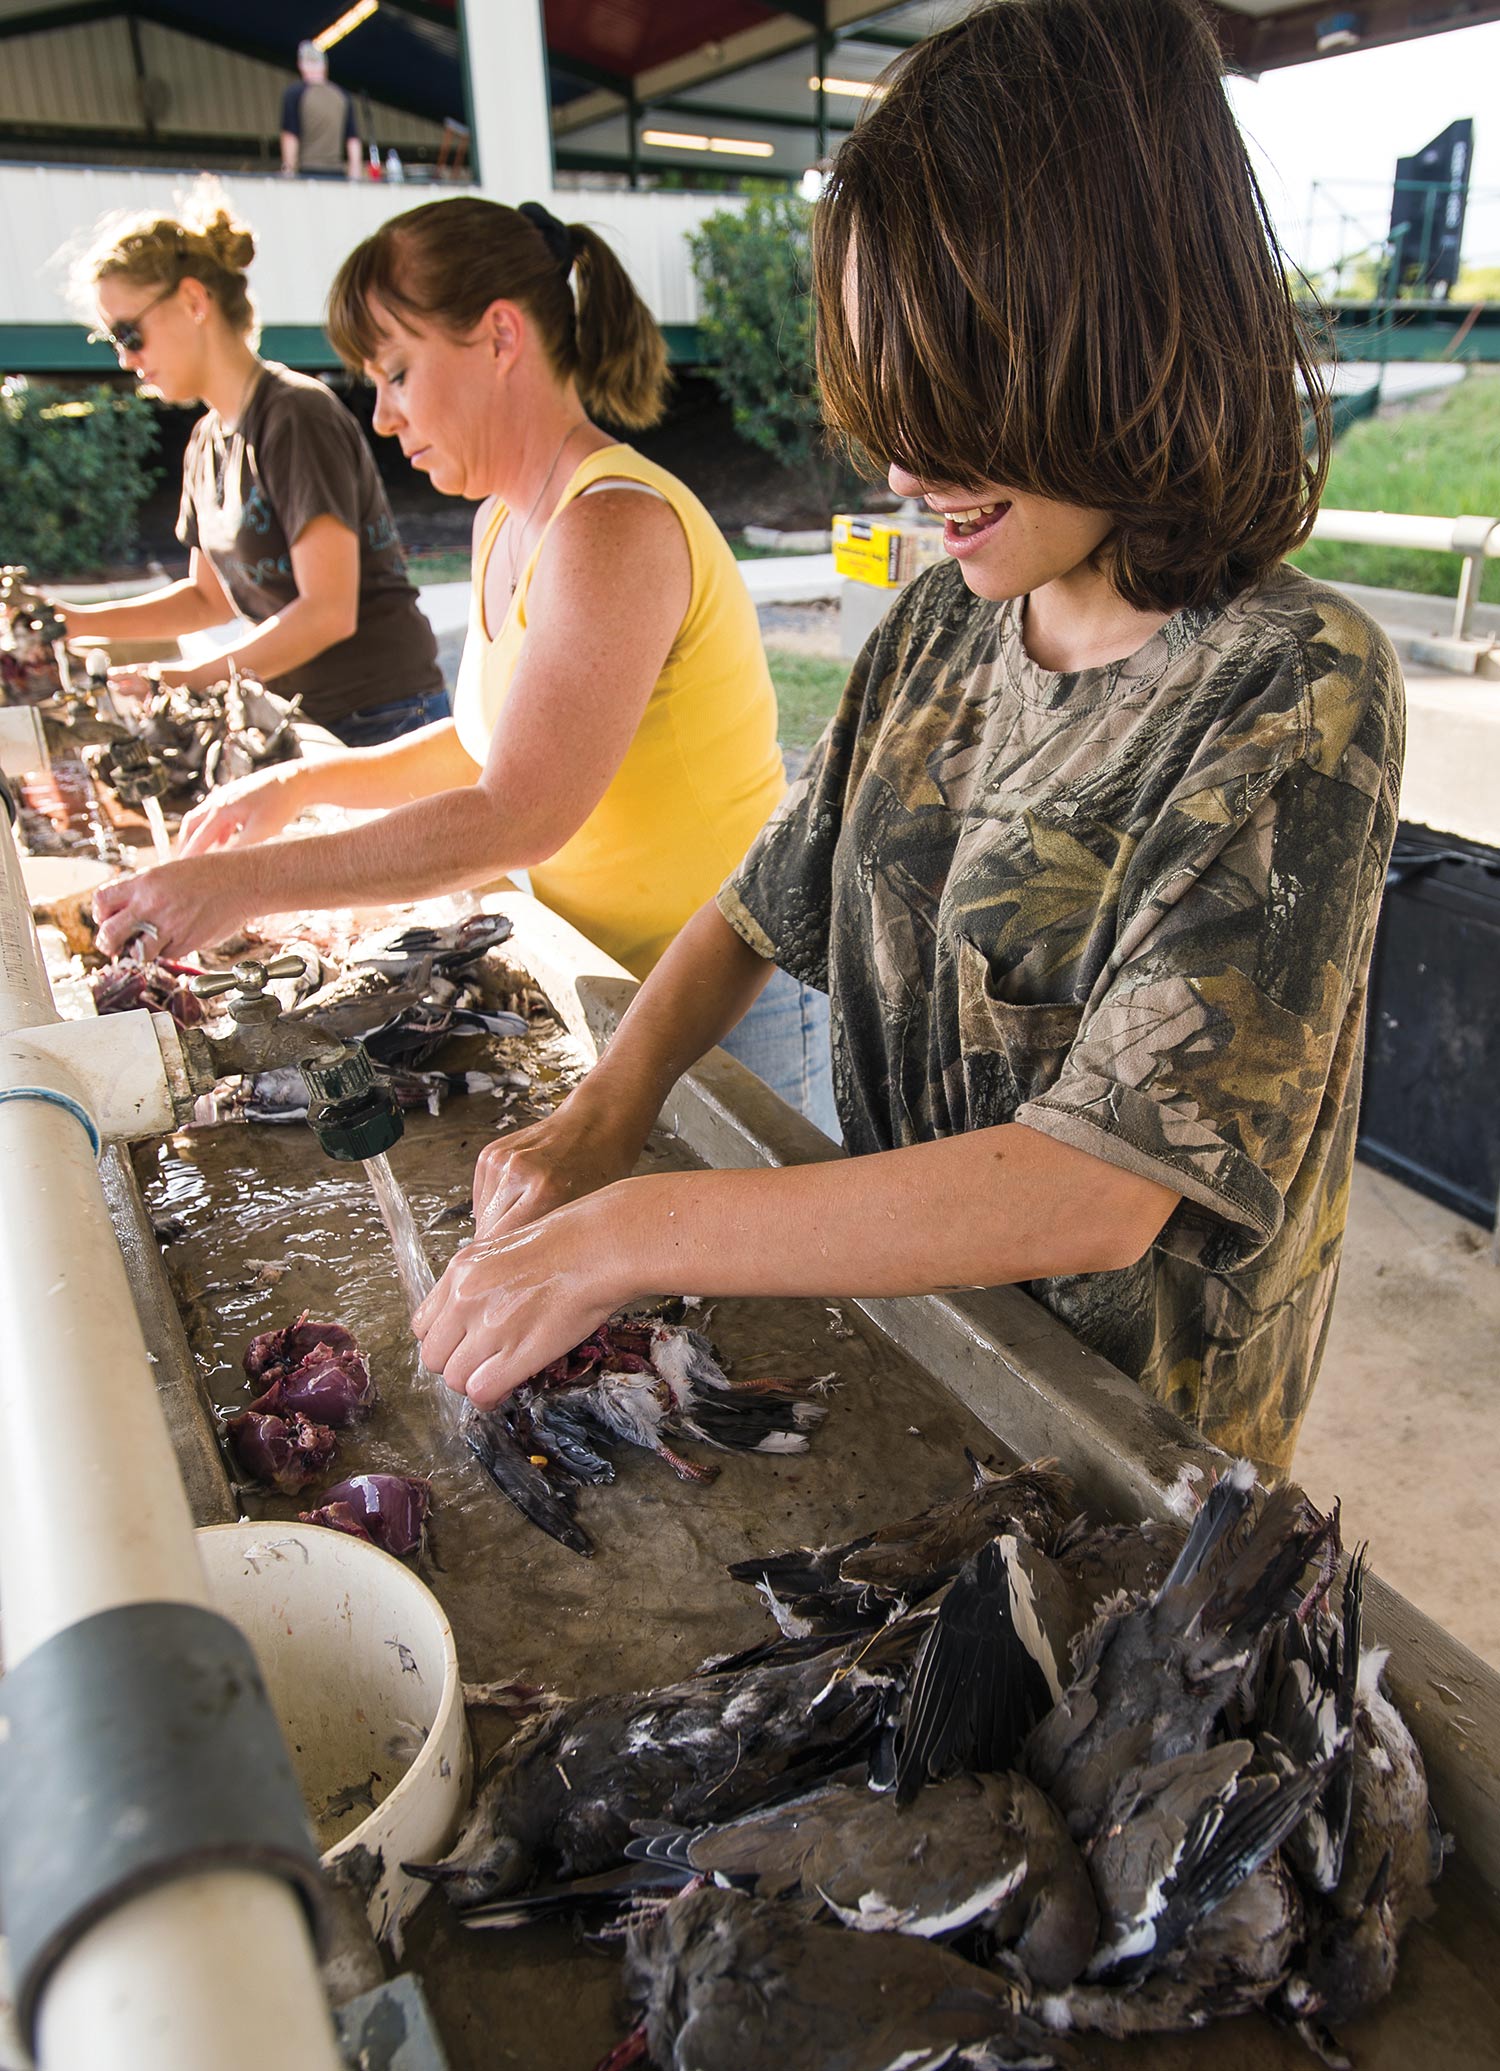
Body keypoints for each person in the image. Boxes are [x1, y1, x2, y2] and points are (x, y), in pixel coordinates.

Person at [408, 0, 1406, 1480]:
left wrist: (635, 1231)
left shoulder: (1297, 691)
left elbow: (1096, 1185)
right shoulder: (941, 624)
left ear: (1126, 331)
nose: (904, 466)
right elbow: (759, 906)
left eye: (952, 400)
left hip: (1131, 1452)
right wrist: (603, 1115)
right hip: (932, 1357)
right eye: (888, 400)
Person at [93, 197, 836, 1132]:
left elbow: (517, 811)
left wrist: (242, 882)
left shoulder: (613, 525)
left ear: (498, 335)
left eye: (398, 372)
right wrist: (295, 783)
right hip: (616, 980)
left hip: (731, 998)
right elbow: (491, 742)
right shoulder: (503, 520)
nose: (383, 415)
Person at [58, 199, 446, 747]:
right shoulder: (205, 442)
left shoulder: (295, 415)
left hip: (382, 716)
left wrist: (180, 681)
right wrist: (71, 621)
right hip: (302, 717)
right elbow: (207, 600)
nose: (125, 358)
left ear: (194, 300)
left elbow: (328, 612)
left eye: (129, 333)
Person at [280, 42, 362, 182]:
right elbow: (353, 139)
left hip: (307, 172)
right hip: (337, 173)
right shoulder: (342, 95)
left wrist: (288, 172)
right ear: (324, 66)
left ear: (301, 64)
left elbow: (290, 136)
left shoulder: (295, 93)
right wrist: (355, 176)